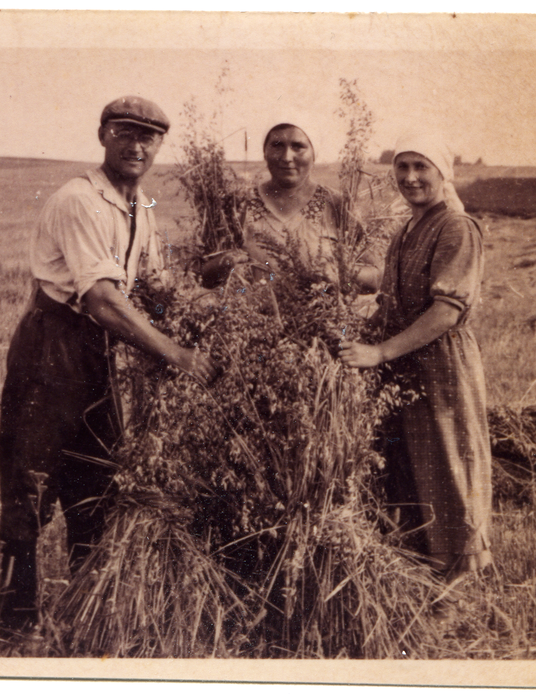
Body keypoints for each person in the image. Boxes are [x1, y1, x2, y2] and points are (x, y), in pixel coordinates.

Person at [0, 96, 218, 633]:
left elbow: (154, 286)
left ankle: (81, 614)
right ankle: (16, 623)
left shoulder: (142, 207)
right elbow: (102, 298)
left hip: (101, 354)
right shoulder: (80, 201)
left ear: (160, 146)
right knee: (31, 482)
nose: (136, 145)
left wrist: (214, 304)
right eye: (124, 133)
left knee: (93, 484)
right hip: (54, 346)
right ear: (102, 136)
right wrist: (176, 353)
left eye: (149, 137)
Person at [339, 133, 493, 581]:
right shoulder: (408, 229)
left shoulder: (457, 228)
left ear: (444, 173)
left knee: (450, 461)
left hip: (442, 364)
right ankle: (426, 569)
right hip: (407, 363)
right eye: (402, 167)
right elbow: (392, 295)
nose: (410, 177)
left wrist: (380, 352)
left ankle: (458, 577)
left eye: (420, 166)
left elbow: (446, 310)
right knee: (413, 464)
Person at [201, 117, 380, 292]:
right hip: (251, 320)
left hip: (321, 319)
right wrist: (225, 263)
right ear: (265, 152)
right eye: (277, 145)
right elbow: (203, 276)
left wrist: (342, 275)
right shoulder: (239, 204)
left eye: (298, 147)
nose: (287, 157)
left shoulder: (338, 204)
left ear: (314, 153)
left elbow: (376, 277)